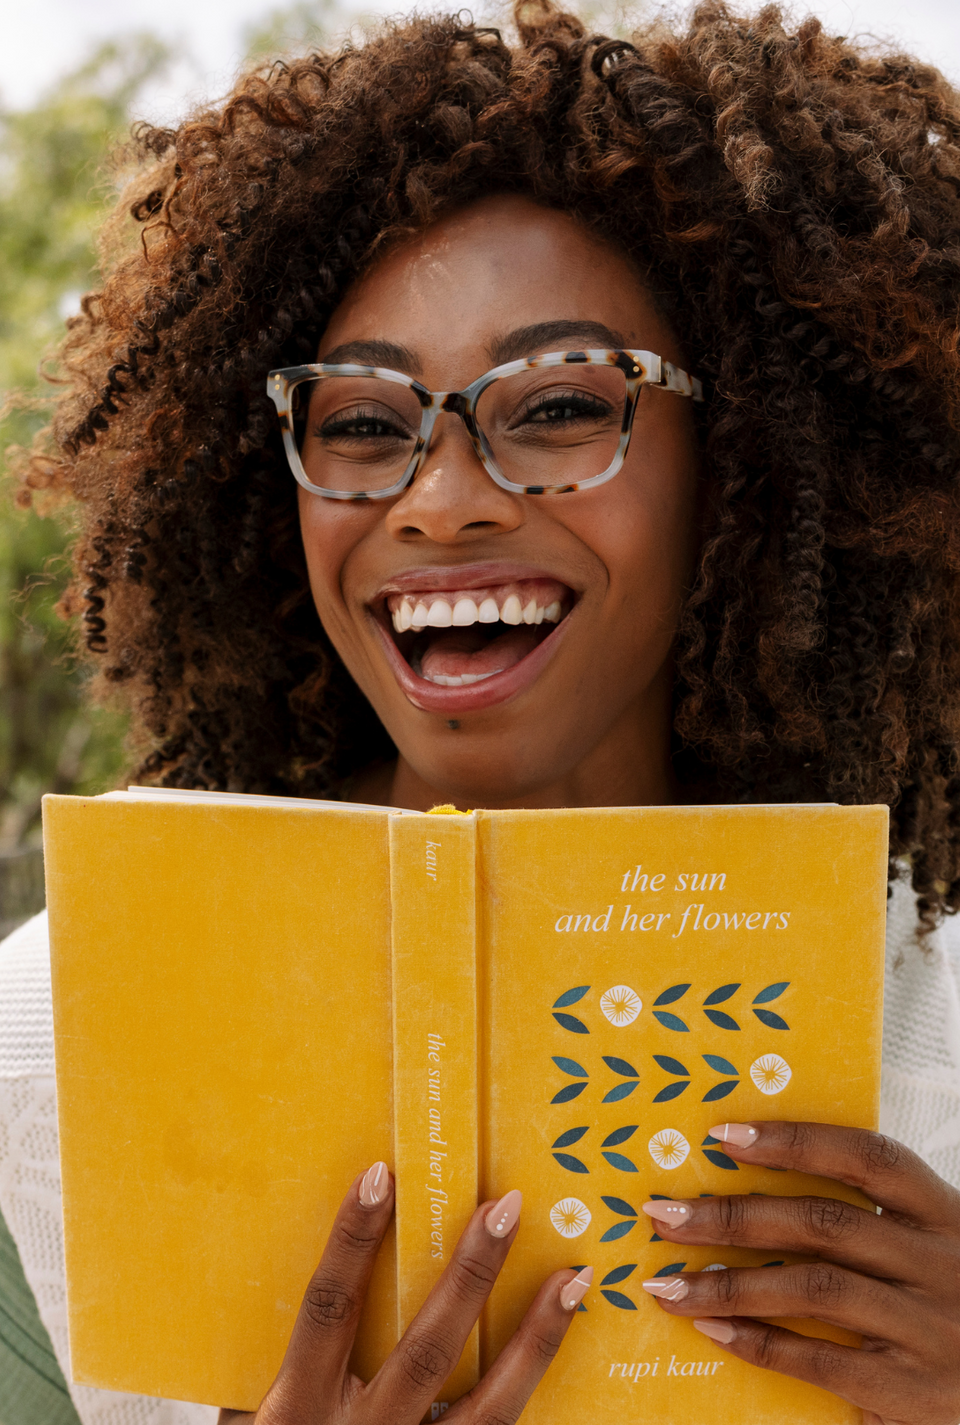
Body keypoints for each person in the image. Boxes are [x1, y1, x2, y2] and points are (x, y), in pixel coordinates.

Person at [1, 2, 959, 1422]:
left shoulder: (941, 1021)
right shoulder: (44, 1048)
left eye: (563, 406)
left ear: (745, 463)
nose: (441, 502)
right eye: (364, 426)